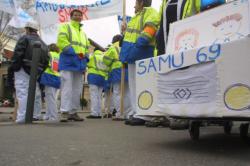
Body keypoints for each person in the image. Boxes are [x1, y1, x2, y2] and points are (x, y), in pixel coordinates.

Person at [120, 0, 160, 125]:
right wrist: (124, 32)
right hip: (133, 54)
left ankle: (144, 114)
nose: (134, 5)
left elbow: (149, 32)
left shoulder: (151, 12)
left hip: (142, 52)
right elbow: (131, 36)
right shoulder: (135, 17)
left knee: (142, 85)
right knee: (134, 85)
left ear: (142, 2)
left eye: (136, 2)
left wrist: (136, 47)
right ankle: (136, 111)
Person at [7, 21, 49, 123]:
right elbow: (46, 61)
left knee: (22, 92)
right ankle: (35, 115)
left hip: (23, 68)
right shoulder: (43, 43)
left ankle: (23, 117)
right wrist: (39, 71)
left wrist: (14, 68)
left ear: (27, 29)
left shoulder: (24, 39)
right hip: (36, 71)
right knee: (35, 92)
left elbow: (17, 55)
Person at [57, 9, 89, 122]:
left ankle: (73, 112)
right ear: (71, 16)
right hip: (68, 62)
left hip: (79, 64)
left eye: (80, 15)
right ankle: (65, 112)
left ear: (82, 17)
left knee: (77, 89)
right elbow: (61, 42)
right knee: (67, 87)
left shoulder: (84, 34)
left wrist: (86, 58)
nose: (78, 16)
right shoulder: (65, 27)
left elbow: (86, 48)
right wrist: (75, 54)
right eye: (75, 14)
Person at [103, 34, 131, 120]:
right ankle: (127, 113)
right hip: (127, 69)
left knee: (117, 92)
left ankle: (119, 113)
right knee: (127, 92)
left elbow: (106, 61)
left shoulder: (113, 48)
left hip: (117, 71)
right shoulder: (127, 45)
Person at [40, 44, 60, 121]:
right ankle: (48, 115)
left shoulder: (49, 54)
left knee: (50, 98)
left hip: (49, 77)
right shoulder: (59, 56)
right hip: (57, 77)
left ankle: (53, 116)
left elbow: (45, 64)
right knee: (51, 98)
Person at [86, 49, 109, 119]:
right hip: (102, 77)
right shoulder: (104, 57)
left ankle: (94, 113)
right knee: (99, 96)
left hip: (93, 76)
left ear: (94, 51)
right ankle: (99, 113)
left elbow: (87, 63)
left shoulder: (93, 56)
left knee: (93, 95)